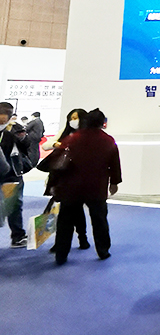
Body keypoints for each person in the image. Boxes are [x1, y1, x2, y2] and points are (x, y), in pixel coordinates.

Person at [52, 109, 121, 263]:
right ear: (102, 123)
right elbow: (114, 164)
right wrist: (114, 182)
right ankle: (103, 251)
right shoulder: (108, 140)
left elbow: (59, 162)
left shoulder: (72, 139)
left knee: (65, 221)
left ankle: (61, 254)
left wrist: (55, 183)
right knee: (99, 220)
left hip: (71, 186)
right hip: (96, 187)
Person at [41, 108, 89, 252]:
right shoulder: (65, 132)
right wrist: (56, 144)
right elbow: (46, 145)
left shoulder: (88, 135)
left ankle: (79, 238)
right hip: (61, 178)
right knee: (66, 211)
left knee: (74, 210)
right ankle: (69, 241)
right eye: (71, 118)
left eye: (76, 118)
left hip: (79, 179)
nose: (73, 121)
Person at [1, 102, 39, 247]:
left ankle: (17, 236)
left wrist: (19, 137)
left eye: (4, 120)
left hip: (12, 173)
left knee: (14, 205)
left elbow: (26, 145)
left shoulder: (15, 128)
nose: (2, 123)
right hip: (5, 171)